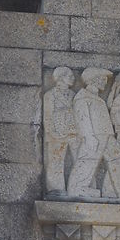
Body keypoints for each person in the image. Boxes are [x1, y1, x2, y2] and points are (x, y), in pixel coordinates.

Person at [65, 68, 120, 199]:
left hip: (107, 135)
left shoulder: (97, 98)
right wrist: (89, 137)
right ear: (94, 80)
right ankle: (77, 188)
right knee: (87, 160)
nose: (105, 82)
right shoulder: (82, 97)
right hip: (94, 136)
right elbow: (83, 118)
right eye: (103, 79)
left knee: (119, 160)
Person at [42, 66, 78, 195]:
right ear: (61, 78)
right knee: (56, 160)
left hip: (73, 132)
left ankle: (78, 187)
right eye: (70, 76)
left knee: (79, 158)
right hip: (57, 132)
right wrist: (51, 132)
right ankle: (56, 188)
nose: (73, 78)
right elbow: (48, 116)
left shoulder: (74, 95)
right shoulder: (50, 95)